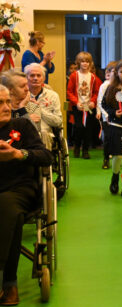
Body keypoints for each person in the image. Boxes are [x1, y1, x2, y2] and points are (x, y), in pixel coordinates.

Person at [0, 85, 53, 306]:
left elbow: (45, 156)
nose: (6, 107)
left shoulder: (22, 125)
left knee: (7, 208)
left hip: (20, 189)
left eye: (6, 102)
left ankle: (9, 283)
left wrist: (17, 154)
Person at [102, 59, 122, 199]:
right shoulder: (111, 88)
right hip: (116, 126)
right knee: (118, 156)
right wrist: (113, 113)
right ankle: (115, 178)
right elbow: (104, 104)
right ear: (117, 73)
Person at [67, 51, 101, 159]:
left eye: (87, 61)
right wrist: (76, 102)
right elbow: (69, 92)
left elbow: (97, 92)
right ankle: (77, 146)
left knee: (88, 128)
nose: (85, 64)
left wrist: (93, 102)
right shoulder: (74, 76)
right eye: (82, 61)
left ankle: (85, 150)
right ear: (78, 63)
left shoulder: (94, 77)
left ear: (90, 63)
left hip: (89, 106)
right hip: (78, 106)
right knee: (79, 127)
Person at [25, 63, 62, 149]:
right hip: (26, 131)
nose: (35, 78)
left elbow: (58, 122)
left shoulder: (53, 96)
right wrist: (28, 118)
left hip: (46, 133)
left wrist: (39, 109)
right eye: (32, 75)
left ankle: (45, 160)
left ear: (44, 78)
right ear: (26, 78)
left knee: (43, 133)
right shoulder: (20, 95)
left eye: (39, 75)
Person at [97, 61, 117, 169]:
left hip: (119, 118)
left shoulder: (121, 86)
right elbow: (100, 102)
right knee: (108, 139)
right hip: (107, 118)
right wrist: (106, 115)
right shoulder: (104, 86)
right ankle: (106, 159)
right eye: (112, 72)